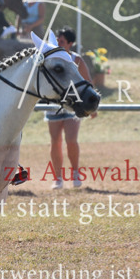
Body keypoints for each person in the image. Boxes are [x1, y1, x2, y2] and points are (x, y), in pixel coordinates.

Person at [46, 27, 96, 189]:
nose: (58, 44)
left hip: (73, 107)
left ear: (70, 44)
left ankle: (75, 173)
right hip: (54, 106)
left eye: (61, 41)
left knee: (71, 140)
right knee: (55, 142)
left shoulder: (77, 60)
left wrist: (92, 107)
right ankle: (58, 178)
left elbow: (88, 82)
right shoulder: (52, 59)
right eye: (58, 41)